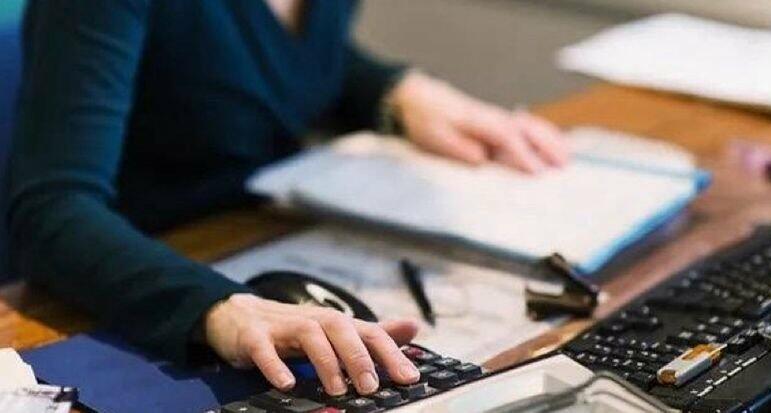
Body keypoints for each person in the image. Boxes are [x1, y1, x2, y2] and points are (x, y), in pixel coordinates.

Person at [7, 0, 570, 397]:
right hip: (122, 287)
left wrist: (395, 92)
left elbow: (280, 63)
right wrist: (220, 310)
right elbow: (51, 209)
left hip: (261, 236)